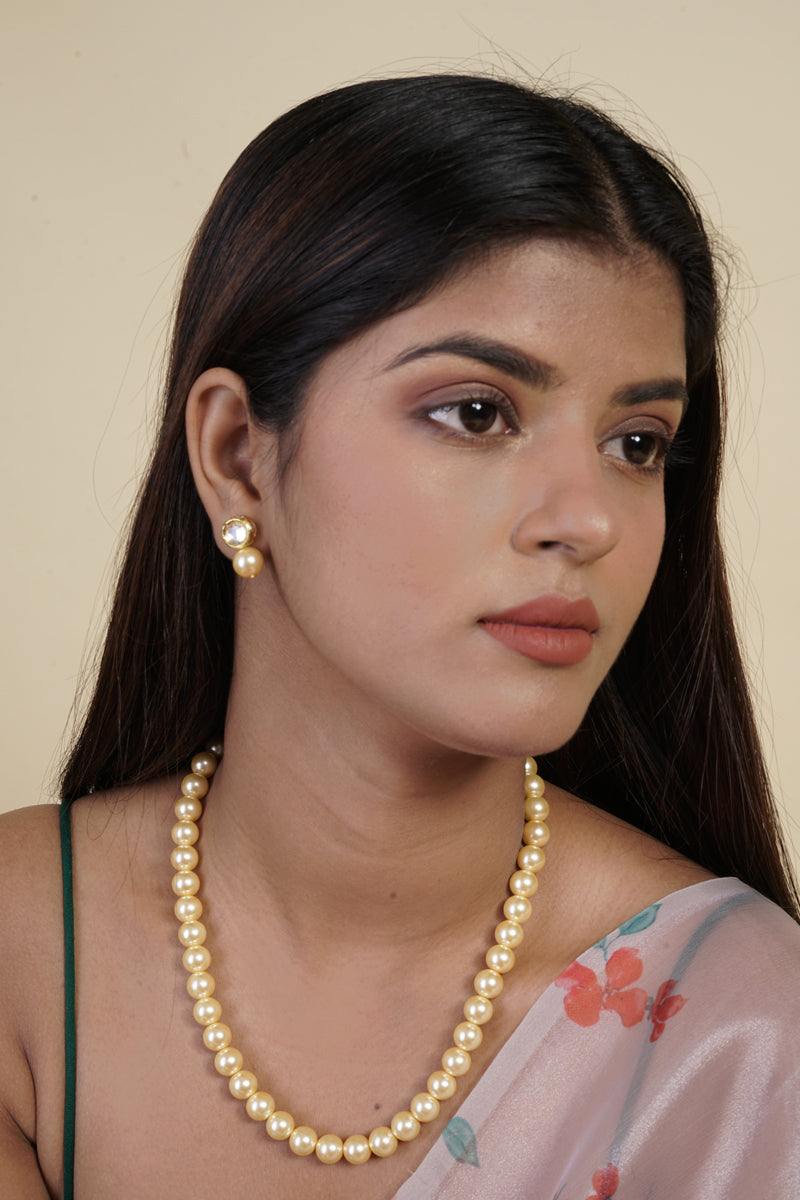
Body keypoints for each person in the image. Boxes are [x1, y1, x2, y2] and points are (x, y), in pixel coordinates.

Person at [1, 73, 798, 1200]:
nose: (586, 521)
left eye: (636, 442)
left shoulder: (745, 1041)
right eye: (476, 413)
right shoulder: (24, 956)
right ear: (236, 456)